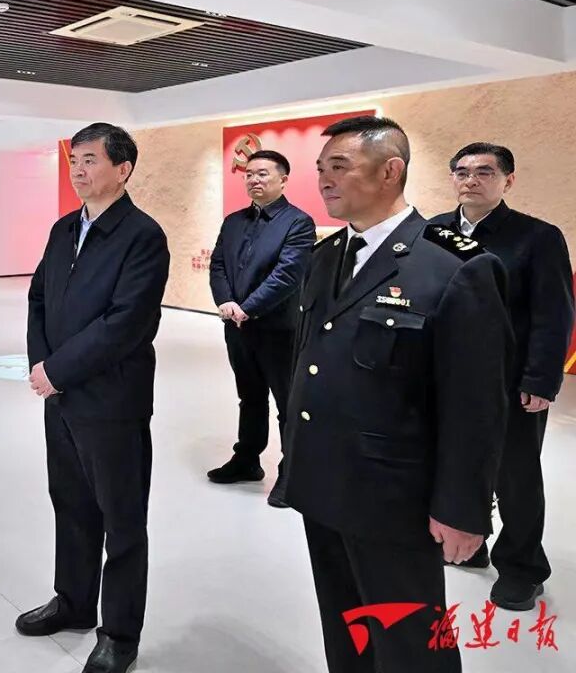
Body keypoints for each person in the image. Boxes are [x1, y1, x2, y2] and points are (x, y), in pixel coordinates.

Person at [283, 116, 512, 673]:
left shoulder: (454, 265)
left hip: (394, 496)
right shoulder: (327, 255)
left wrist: (461, 510)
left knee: (410, 640)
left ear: (391, 171)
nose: (324, 180)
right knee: (345, 625)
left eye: (340, 166)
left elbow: (476, 405)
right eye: (321, 168)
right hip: (324, 480)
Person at [20, 122, 169, 673]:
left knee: (121, 520)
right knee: (71, 504)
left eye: (90, 160)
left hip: (112, 401)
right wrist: (43, 365)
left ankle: (120, 634)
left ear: (122, 169)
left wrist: (58, 370)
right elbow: (38, 297)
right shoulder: (64, 229)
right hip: (61, 397)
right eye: (74, 161)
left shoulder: (142, 235)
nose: (78, 171)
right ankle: (74, 602)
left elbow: (127, 322)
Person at [429, 143, 574, 611]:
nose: (471, 180)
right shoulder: (433, 231)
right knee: (454, 462)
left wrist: (541, 380)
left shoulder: (537, 237)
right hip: (446, 377)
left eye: (485, 172)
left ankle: (522, 567)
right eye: (462, 171)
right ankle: (468, 542)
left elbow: (554, 315)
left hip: (509, 381)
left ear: (508, 180)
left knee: (515, 474)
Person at [207, 149, 315, 505]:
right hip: (237, 327)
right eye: (249, 174)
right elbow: (218, 264)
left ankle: (293, 473)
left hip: (279, 329)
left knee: (287, 401)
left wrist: (248, 309)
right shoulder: (233, 221)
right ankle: (247, 459)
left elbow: (287, 275)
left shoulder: (298, 222)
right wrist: (226, 302)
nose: (254, 179)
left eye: (263, 173)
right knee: (250, 397)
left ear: (283, 179)